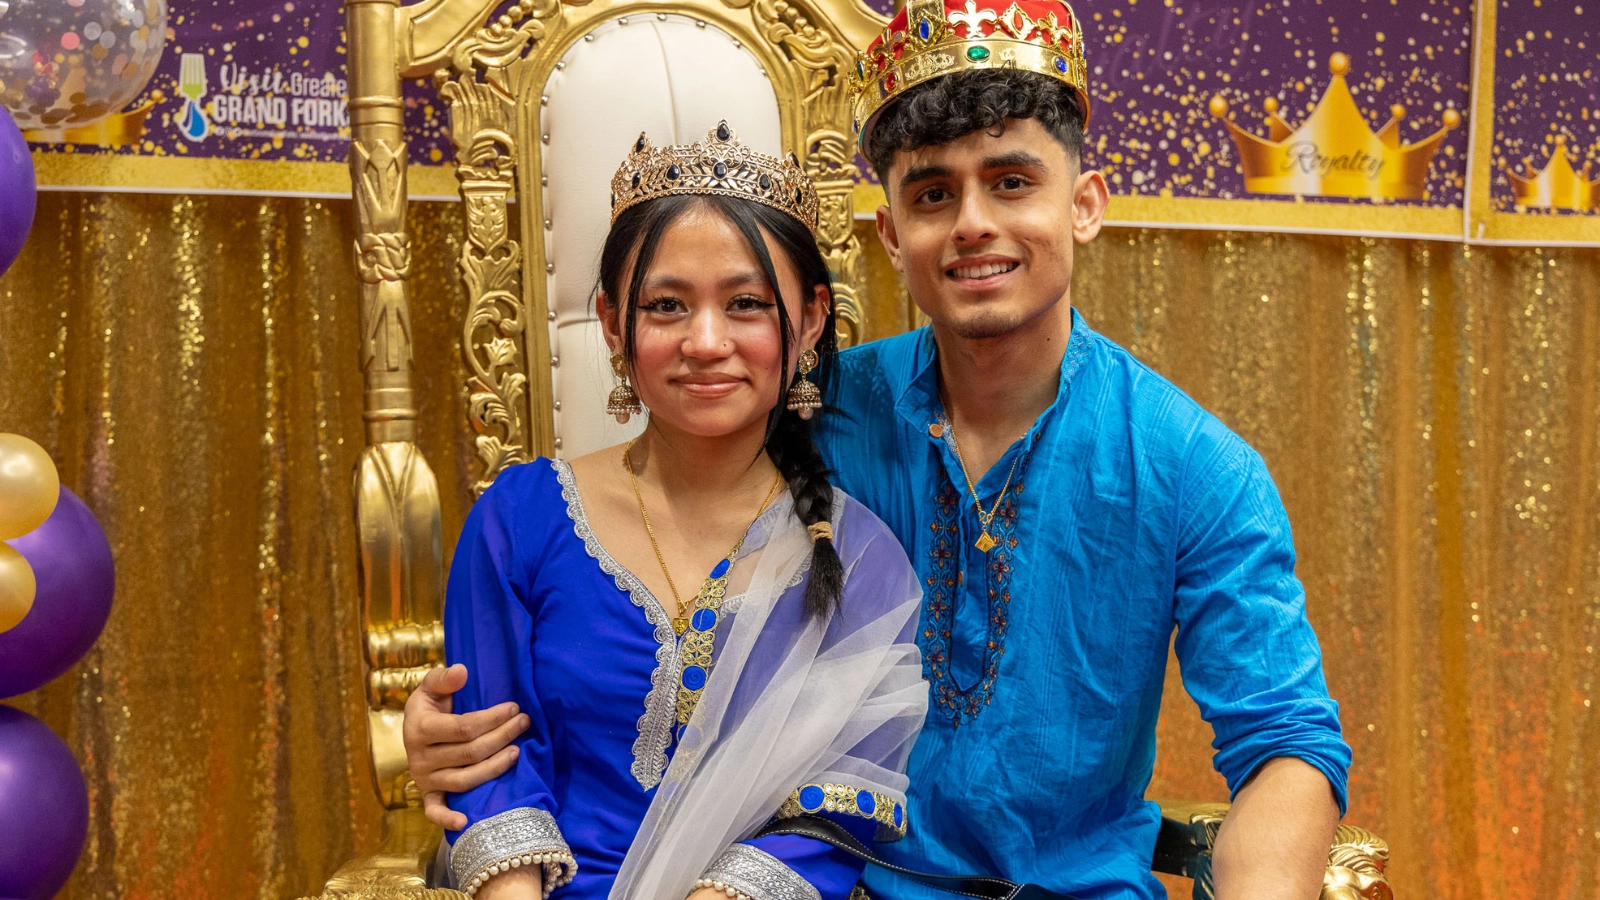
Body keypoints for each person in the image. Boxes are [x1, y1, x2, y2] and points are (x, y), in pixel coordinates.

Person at [406, 2, 1353, 899]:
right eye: (935, 194)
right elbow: (622, 562)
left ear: (1086, 204)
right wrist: (447, 725)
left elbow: (1284, 744)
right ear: (892, 235)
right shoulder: (805, 411)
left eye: (1013, 182)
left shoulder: (1193, 468)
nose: (975, 223)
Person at [430, 123, 928, 900]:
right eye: (666, 305)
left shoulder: (860, 560)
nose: (705, 340)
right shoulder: (518, 520)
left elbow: (833, 818)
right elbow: (489, 766)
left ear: (810, 322)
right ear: (611, 324)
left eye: (746, 304)